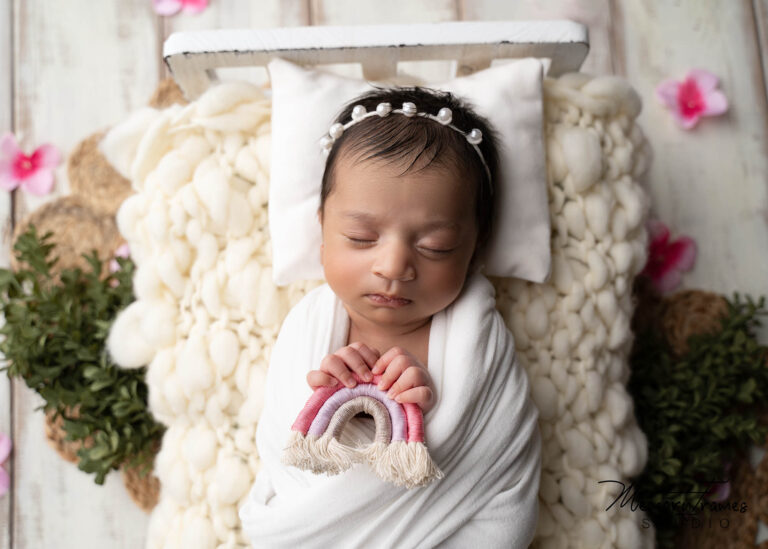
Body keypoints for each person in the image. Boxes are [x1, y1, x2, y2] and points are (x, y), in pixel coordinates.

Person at [239, 86, 542, 548]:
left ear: (476, 246)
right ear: (322, 230)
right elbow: (285, 443)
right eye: (361, 237)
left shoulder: (476, 338)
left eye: (435, 247)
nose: (394, 266)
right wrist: (324, 400)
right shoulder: (308, 326)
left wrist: (429, 407)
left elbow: (494, 450)